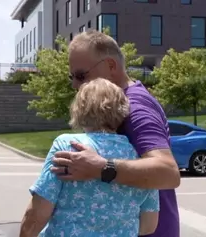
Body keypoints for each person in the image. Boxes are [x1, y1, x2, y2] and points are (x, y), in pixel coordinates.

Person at [51, 30, 180, 237]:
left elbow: (168, 172)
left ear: (111, 66)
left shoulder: (135, 108)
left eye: (81, 75)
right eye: (72, 77)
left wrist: (102, 167)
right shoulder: (122, 101)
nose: (75, 84)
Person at [20, 78, 160, 237]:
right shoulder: (141, 160)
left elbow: (35, 217)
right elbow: (149, 225)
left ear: (80, 109)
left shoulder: (68, 146)